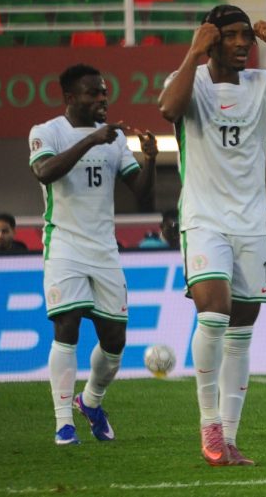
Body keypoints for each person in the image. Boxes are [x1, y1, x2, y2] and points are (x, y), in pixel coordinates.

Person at [158, 5, 266, 466]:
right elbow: (167, 110)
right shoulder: (189, 83)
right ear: (211, 39)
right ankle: (209, 425)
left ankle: (229, 439)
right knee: (213, 313)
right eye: (231, 36)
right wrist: (192, 54)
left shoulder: (262, 85)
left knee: (242, 331)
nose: (242, 44)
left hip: (253, 225)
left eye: (246, 37)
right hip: (204, 220)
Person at [28, 63, 157, 446]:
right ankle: (63, 422)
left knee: (115, 340)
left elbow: (142, 193)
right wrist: (90, 140)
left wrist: (148, 159)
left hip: (104, 249)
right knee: (66, 327)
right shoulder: (46, 131)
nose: (102, 99)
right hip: (64, 245)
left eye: (104, 92)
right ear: (70, 98)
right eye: (93, 93)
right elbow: (45, 172)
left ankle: (91, 401)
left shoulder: (115, 139)